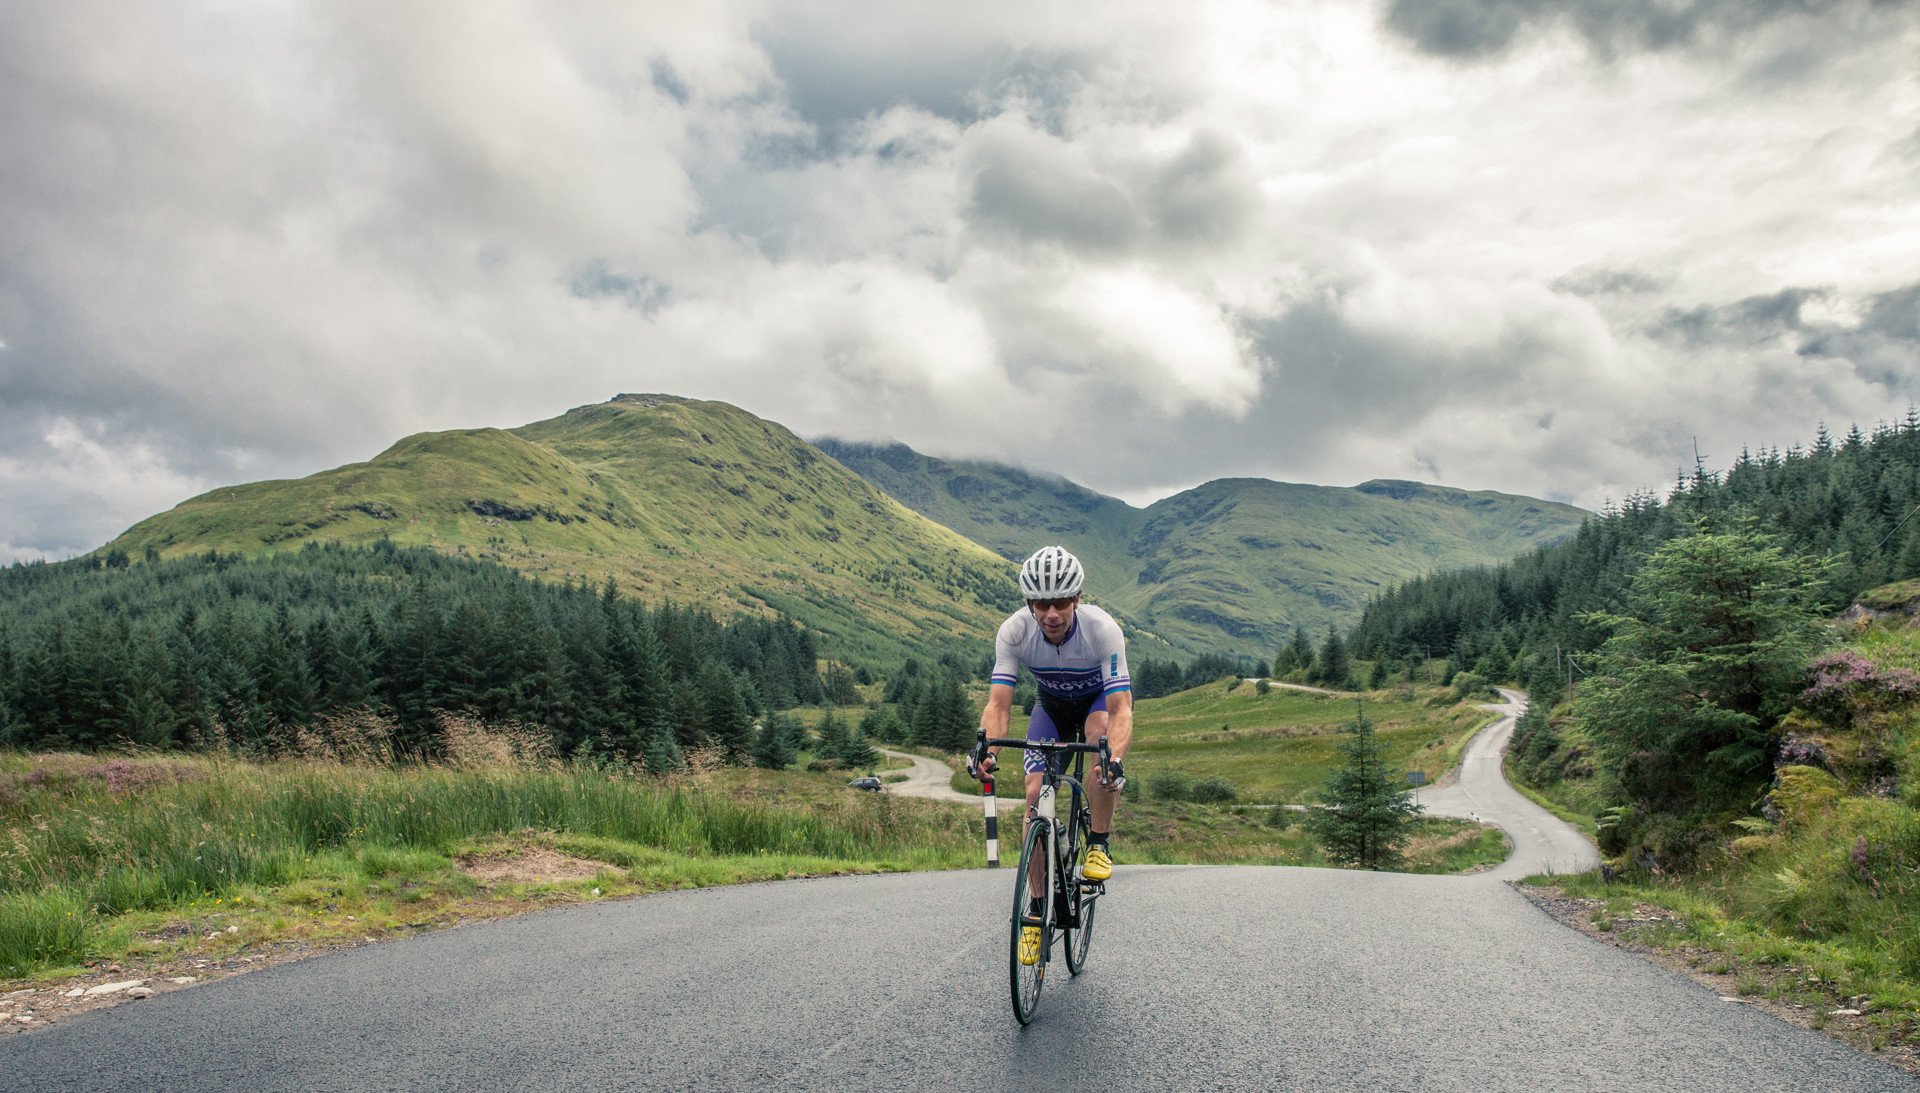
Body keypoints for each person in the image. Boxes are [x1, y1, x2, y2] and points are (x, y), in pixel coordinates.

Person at [969, 545, 1131, 966]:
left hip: (1096, 702)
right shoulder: (1014, 632)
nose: (1052, 613)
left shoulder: (1103, 630)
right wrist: (987, 748)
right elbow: (999, 705)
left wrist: (1113, 758)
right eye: (1042, 604)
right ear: (1030, 603)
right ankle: (1036, 911)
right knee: (1034, 795)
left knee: (1099, 749)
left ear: (1077, 598)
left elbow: (1121, 709)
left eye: (1061, 602)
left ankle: (1098, 843)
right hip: (1052, 708)